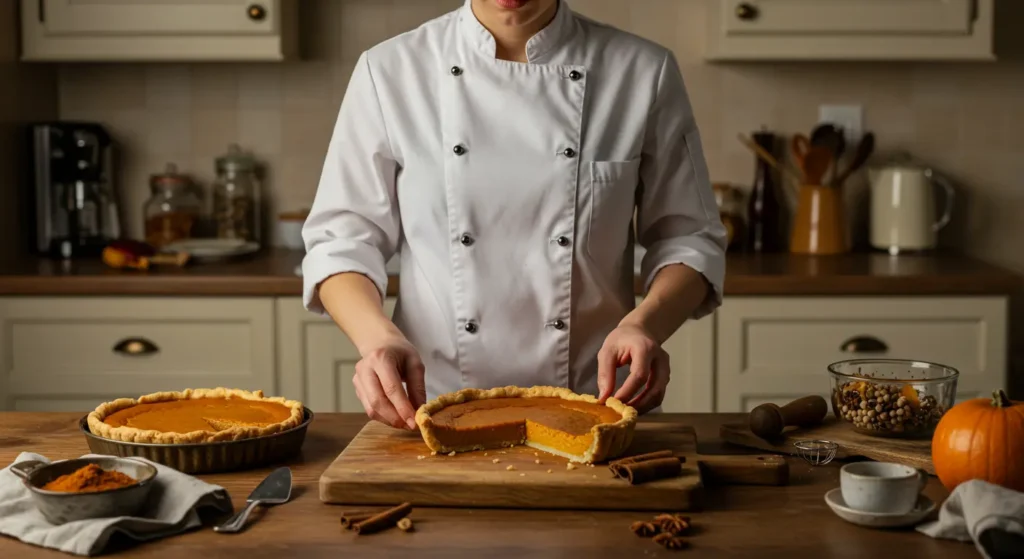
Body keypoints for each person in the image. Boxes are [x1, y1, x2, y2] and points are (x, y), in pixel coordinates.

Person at [302, 0, 727, 431]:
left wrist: (645, 324)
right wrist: (377, 339)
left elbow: (689, 238)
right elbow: (342, 242)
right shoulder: (391, 70)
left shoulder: (640, 71)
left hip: (596, 404)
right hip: (430, 406)